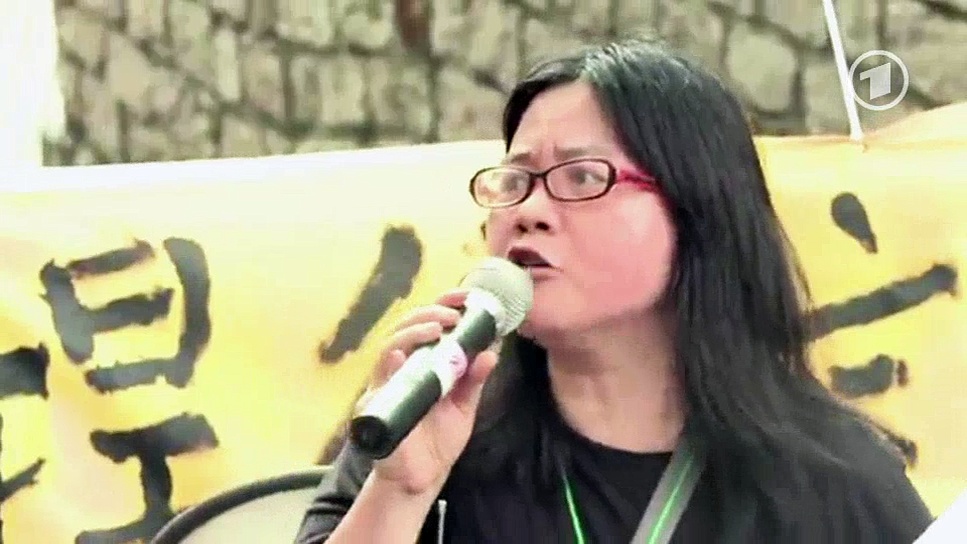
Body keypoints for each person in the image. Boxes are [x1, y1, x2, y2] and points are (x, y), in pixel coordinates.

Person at [295, 38, 933, 543]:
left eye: (582, 177)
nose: (529, 210)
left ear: (697, 210)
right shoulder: (427, 421)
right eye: (514, 181)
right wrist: (400, 494)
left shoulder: (834, 481)